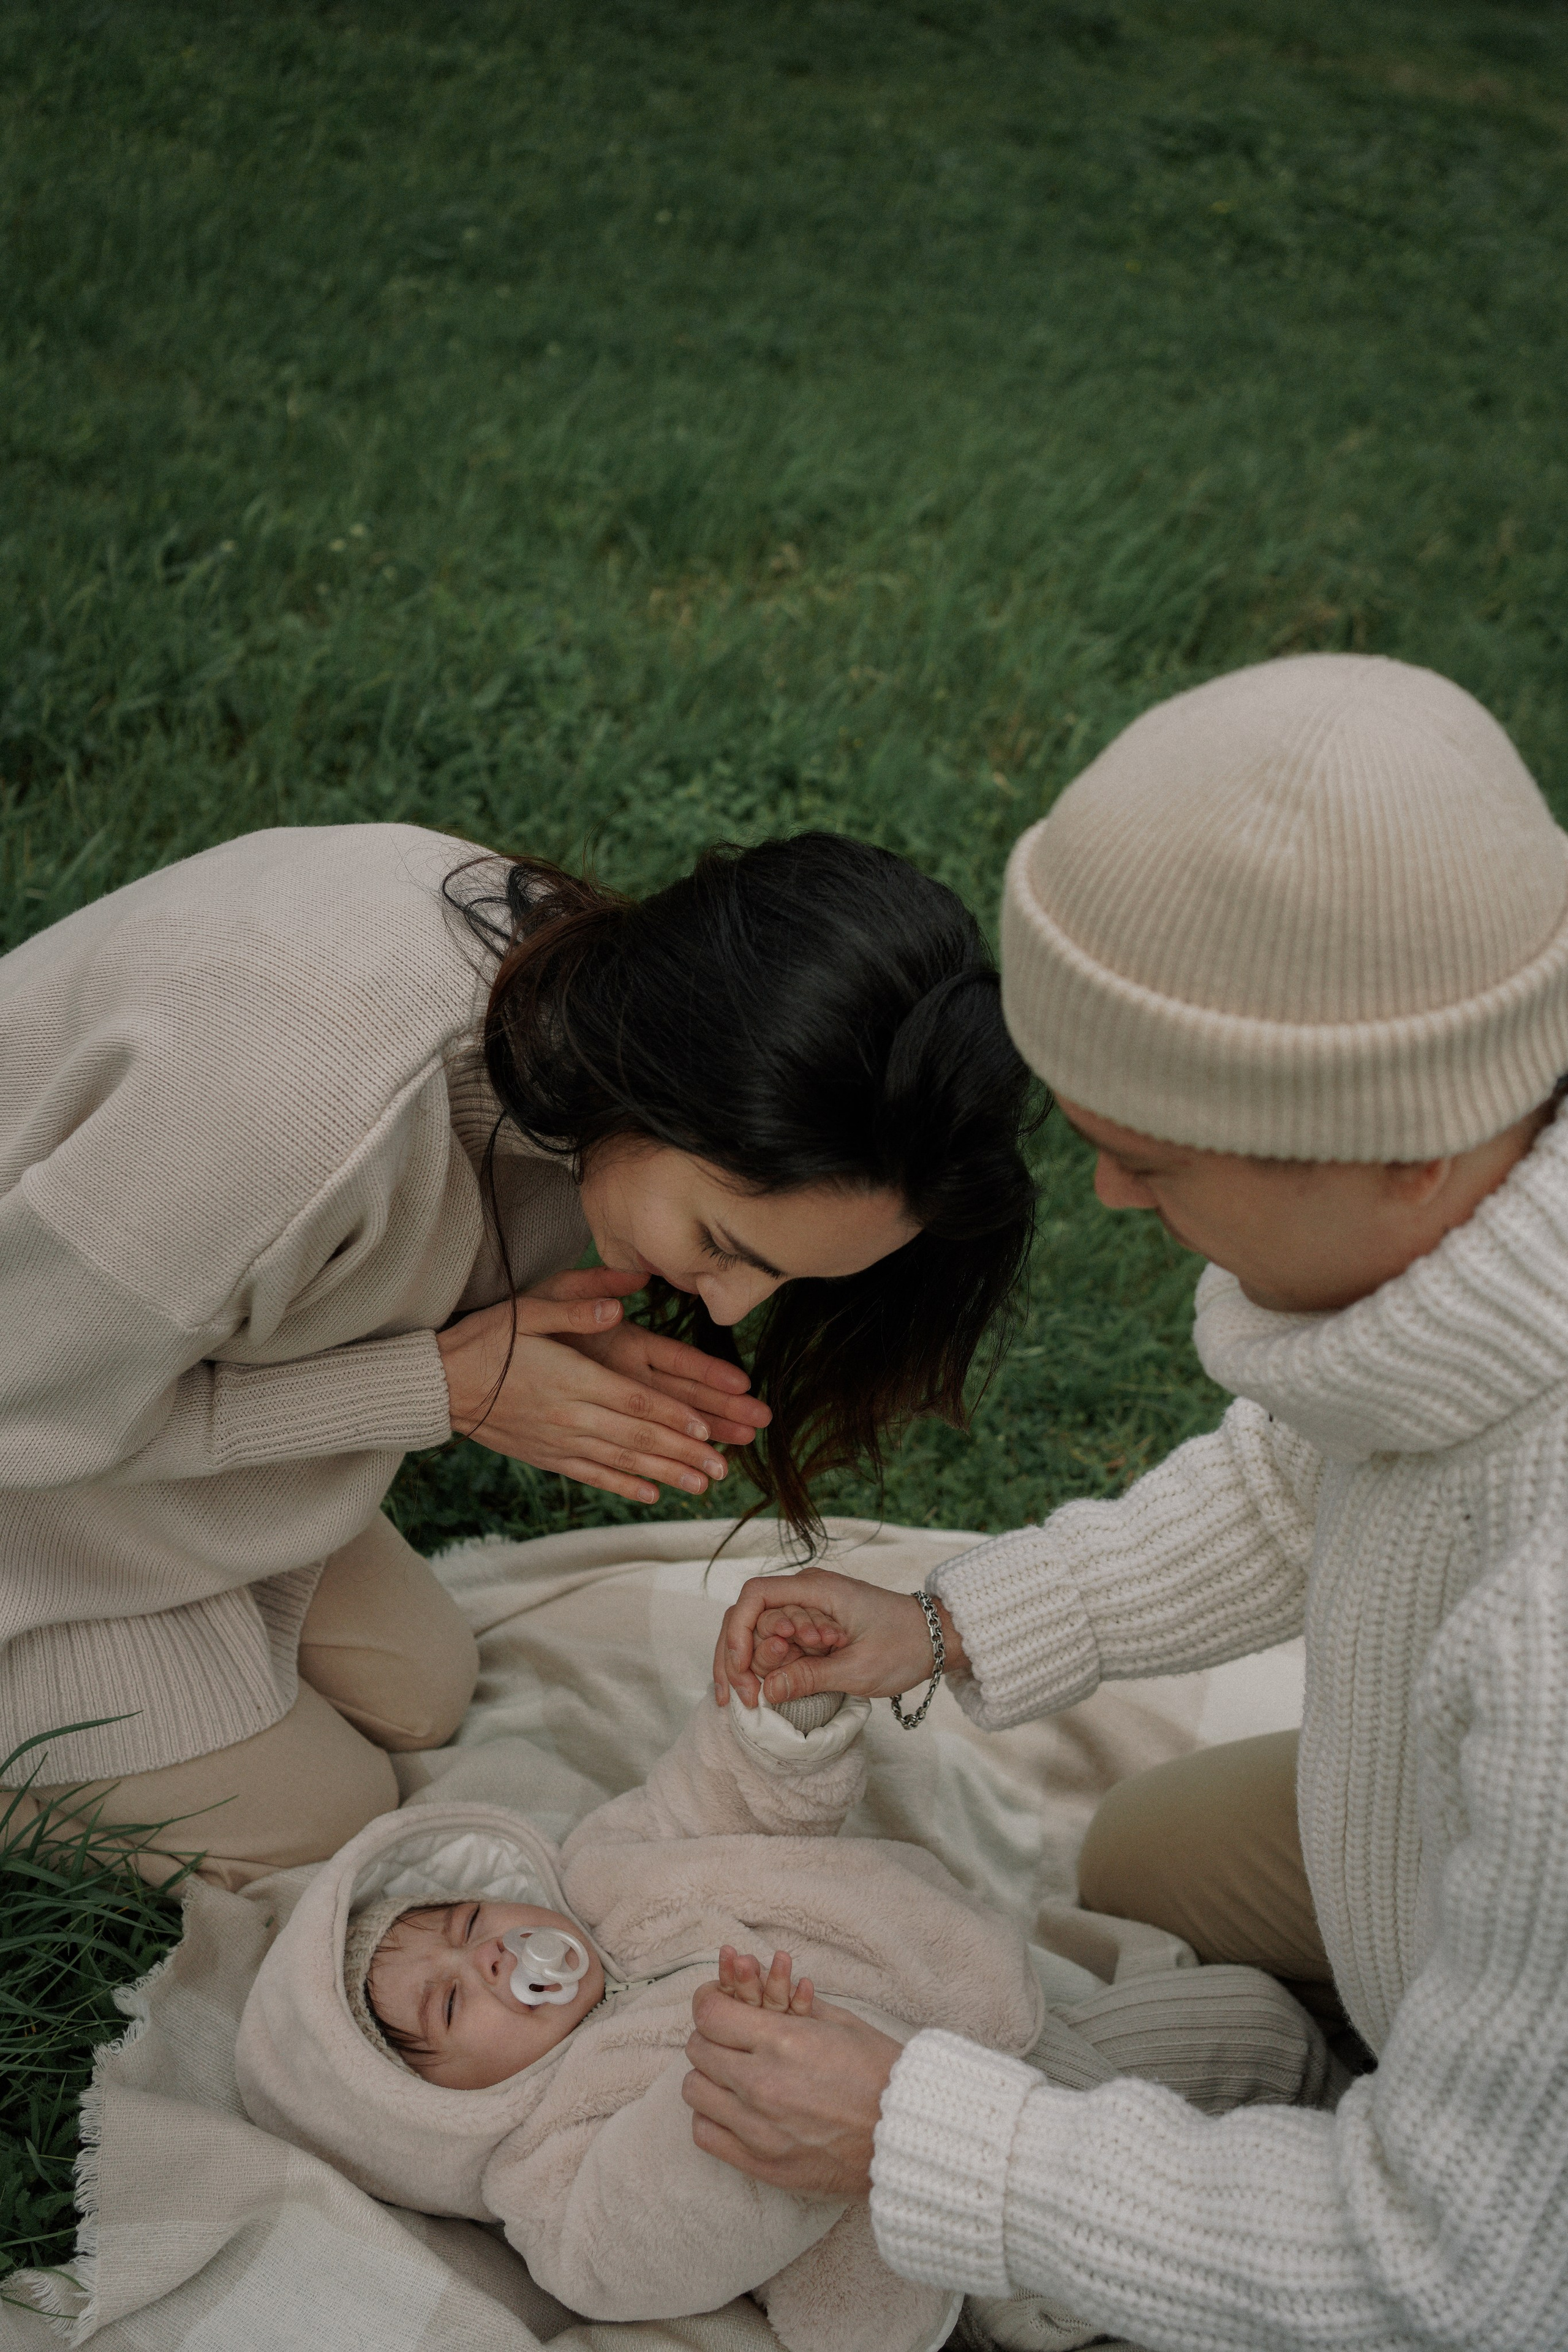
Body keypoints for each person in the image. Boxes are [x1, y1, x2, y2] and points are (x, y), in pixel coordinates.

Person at [692, 654, 1568, 2352]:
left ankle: (1378, 2102)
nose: (1101, 1188)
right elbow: (1299, 1479)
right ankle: (1377, 2053)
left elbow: (1474, 2274)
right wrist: (949, 1623)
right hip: (1465, 1846)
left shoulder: (1550, 1650)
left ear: (1404, 1144)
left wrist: (929, 2139)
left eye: (1153, 1156)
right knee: (1142, 1853)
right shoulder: (1479, 1228)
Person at [0, 824, 1036, 1885]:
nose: (730, 1301)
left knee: (424, 1687)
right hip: (31, 1460)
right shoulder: (293, 1110)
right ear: (668, 1082)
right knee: (330, 1822)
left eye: (793, 1278)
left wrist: (513, 1343)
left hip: (118, 1402)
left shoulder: (570, 1010)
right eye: (725, 1245)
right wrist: (440, 1387)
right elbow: (21, 1406)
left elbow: (351, 1262)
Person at [235, 1687, 1332, 2352]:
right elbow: (646, 2235)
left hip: (1010, 2053)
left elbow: (703, 1804)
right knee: (1155, 2291)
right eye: (452, 2001)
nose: (489, 1957)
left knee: (1256, 2022)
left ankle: (1342, 2108)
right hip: (949, 2256)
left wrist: (774, 1728)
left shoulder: (611, 1875)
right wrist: (716, 2098)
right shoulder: (545, 2159)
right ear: (427, 2110)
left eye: (471, 1920)